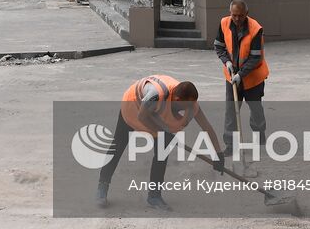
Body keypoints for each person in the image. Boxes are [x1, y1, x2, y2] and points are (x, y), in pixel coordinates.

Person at [96, 74, 224, 211]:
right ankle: (103, 184)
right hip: (133, 108)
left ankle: (154, 196)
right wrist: (162, 134)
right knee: (118, 146)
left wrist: (218, 154)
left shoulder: (190, 102)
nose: (188, 110)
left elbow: (207, 127)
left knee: (162, 152)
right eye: (185, 107)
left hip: (155, 115)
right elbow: (142, 116)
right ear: (177, 99)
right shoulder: (156, 94)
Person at [213, 0, 269, 160]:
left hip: (252, 78)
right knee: (231, 111)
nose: (237, 19)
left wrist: (241, 74)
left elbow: (255, 58)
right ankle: (230, 145)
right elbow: (218, 45)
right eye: (234, 15)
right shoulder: (224, 23)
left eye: (240, 16)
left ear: (246, 14)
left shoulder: (256, 29)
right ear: (230, 13)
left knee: (256, 109)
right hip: (232, 77)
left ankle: (259, 134)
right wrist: (227, 62)